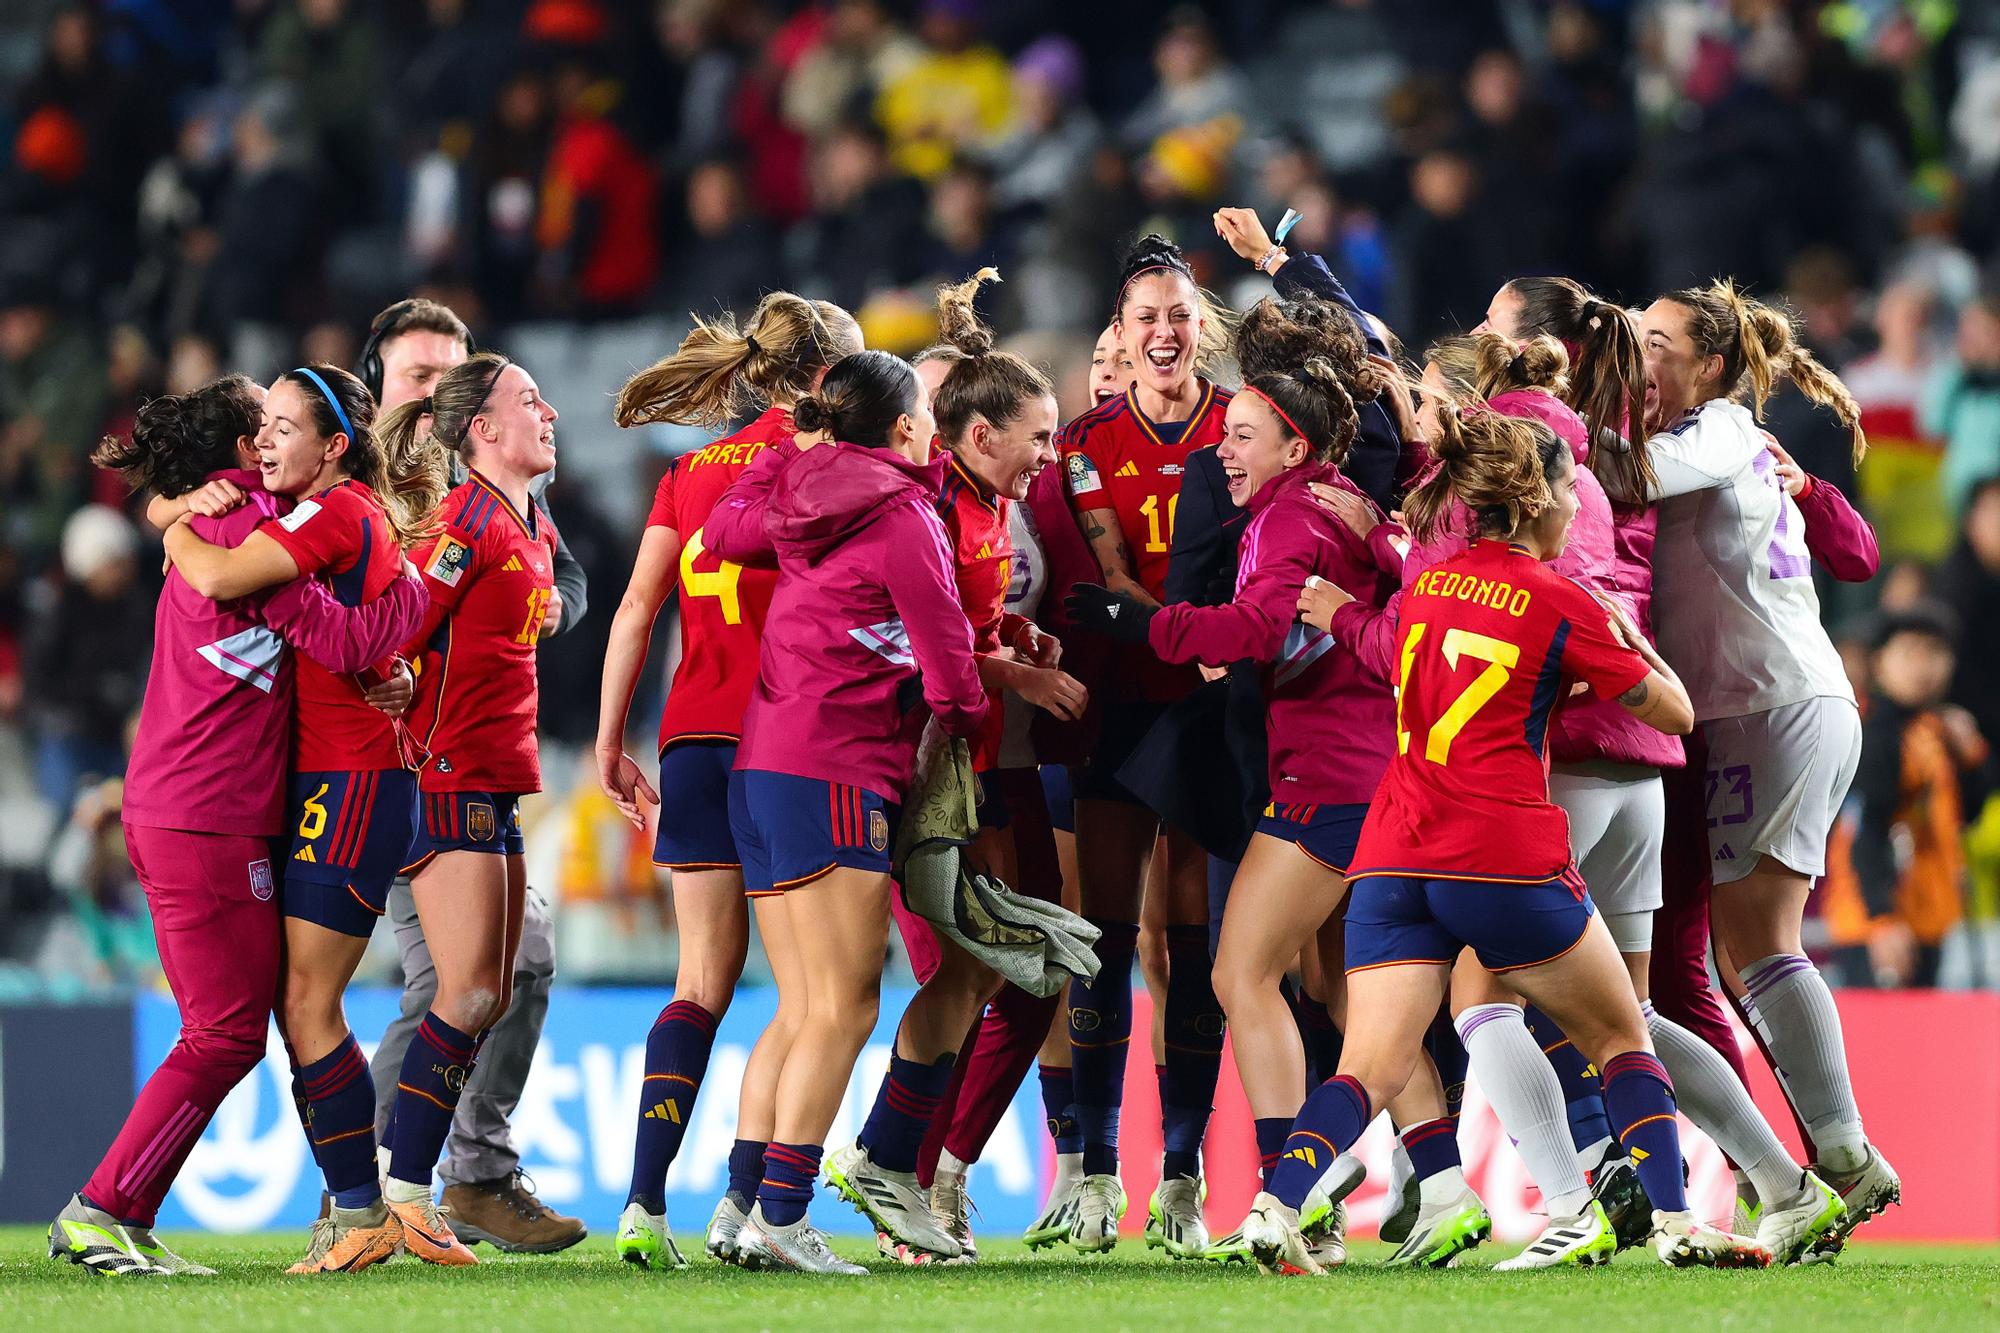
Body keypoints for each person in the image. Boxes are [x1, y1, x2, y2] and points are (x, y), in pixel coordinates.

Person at [1241, 407, 1767, 1275]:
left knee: (1368, 1068)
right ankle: (1676, 1221)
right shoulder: (1563, 600)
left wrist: (1338, 615)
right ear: (1534, 500)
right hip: (1503, 856)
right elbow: (1672, 716)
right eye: (1569, 488)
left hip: (1395, 856)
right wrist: (1629, 639)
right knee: (1621, 1039)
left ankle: (1273, 1207)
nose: (1576, 504)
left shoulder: (1430, 587)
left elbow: (1380, 645)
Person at [51, 375, 426, 1277]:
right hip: (201, 814)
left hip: (199, 809)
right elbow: (338, 642)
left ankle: (130, 1211)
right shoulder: (245, 529)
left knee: (244, 1021)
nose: (274, 437)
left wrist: (168, 507)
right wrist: (418, 597)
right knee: (224, 1030)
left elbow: (175, 520)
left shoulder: (225, 519)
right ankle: (101, 1208)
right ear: (240, 451)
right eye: (264, 424)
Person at [1067, 349, 1411, 1269]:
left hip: (1327, 778)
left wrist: (1134, 623)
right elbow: (1399, 578)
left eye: (1243, 436)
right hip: (1368, 767)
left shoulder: (1292, 515)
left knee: (1240, 974)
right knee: (1356, 994)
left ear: (1293, 442)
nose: (1222, 452)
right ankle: (1432, 1177)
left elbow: (1256, 628)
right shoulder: (1343, 504)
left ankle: (1286, 1188)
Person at [1626, 279, 1898, 1255]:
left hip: (1767, 705)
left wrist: (1529, 438)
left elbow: (1631, 478)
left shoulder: (1720, 431)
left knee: (1760, 935)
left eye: (1655, 341)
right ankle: (1823, 1158)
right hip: (1755, 709)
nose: (1635, 352)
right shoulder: (1728, 440)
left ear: (1708, 367)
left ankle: (1841, 1156)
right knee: (1741, 945)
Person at [703, 351, 988, 1273]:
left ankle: (741, 1206)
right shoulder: (906, 517)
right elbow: (949, 665)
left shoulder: (798, 488)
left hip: (764, 764)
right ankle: (784, 1214)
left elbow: (727, 531)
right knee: (846, 1004)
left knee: (800, 1006)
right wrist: (966, 730)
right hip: (837, 768)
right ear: (906, 428)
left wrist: (779, 451)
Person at [156, 365, 443, 1273]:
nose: (266, 441)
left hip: (351, 784)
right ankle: (358, 1208)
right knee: (300, 1004)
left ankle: (362, 1212)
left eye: (285, 427)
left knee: (307, 1002)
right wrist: (171, 509)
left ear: (334, 446)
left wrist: (180, 538)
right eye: (262, 425)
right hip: (330, 781)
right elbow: (364, 639)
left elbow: (227, 573)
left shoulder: (334, 511)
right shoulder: (319, 513)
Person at [596, 292, 863, 1270]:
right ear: (826, 375)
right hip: (788, 744)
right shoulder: (832, 466)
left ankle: (640, 1202)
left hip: (689, 738)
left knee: (698, 982)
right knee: (808, 994)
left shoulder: (687, 472)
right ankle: (747, 1207)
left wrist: (607, 736)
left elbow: (634, 609)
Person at [826, 274, 1080, 1264]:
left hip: (961, 765)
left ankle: (902, 1164)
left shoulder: (978, 510)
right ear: (980, 438)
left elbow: (959, 620)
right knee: (961, 968)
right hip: (915, 764)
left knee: (1002, 967)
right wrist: (1009, 664)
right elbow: (911, 634)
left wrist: (1008, 630)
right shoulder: (926, 507)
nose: (1050, 456)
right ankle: (881, 1170)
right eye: (1040, 437)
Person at [356, 299, 588, 1254]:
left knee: (488, 989)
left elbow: (552, 593)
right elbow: (394, 624)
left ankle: (412, 1192)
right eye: (531, 399)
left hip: (493, 780)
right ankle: (388, 1191)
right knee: (460, 994)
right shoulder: (464, 521)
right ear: (482, 429)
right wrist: (387, 679)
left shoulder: (524, 519)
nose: (553, 412)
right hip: (442, 774)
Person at [1056, 233, 1235, 1256]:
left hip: (1208, 709)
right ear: (1119, 336)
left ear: (1198, 325)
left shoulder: (1245, 427)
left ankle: (1179, 1170)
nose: (1163, 332)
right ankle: (1091, 1172)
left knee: (1190, 942)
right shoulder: (1083, 444)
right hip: (1118, 702)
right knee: (1104, 936)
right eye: (1145, 319)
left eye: (1177, 315)